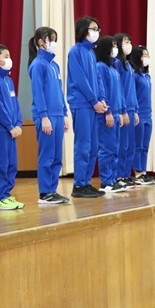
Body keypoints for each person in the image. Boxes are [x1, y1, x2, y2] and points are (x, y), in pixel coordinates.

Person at [28, 27, 70, 204]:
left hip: (58, 115)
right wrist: (44, 117)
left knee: (57, 156)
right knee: (47, 155)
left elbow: (59, 92)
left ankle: (53, 190)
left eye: (55, 39)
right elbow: (38, 93)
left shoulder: (54, 65)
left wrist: (65, 113)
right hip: (46, 116)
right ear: (41, 42)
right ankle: (45, 192)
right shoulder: (38, 65)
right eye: (50, 39)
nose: (54, 43)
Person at [66, 17, 108, 198]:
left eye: (98, 29)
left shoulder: (91, 53)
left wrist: (101, 98)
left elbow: (97, 79)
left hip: (93, 104)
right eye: (93, 28)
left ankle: (86, 182)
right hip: (82, 103)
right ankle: (78, 185)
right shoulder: (75, 52)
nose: (96, 32)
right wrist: (93, 101)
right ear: (83, 30)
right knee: (83, 145)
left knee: (93, 145)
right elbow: (80, 79)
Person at [0, 44, 25, 210]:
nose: (9, 59)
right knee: (1, 163)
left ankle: (7, 194)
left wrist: (18, 123)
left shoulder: (8, 80)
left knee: (12, 164)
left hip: (12, 130)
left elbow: (15, 104)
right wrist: (10, 126)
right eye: (6, 56)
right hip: (0, 129)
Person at [94, 36, 127, 193]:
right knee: (107, 148)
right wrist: (107, 112)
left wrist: (121, 112)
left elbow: (119, 92)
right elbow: (102, 92)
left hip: (116, 112)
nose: (115, 48)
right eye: (112, 45)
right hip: (107, 114)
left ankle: (113, 179)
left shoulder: (113, 68)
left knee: (115, 148)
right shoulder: (100, 67)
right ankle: (106, 181)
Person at [113, 33, 139, 188]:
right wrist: (122, 110)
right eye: (125, 42)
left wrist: (135, 109)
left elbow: (132, 90)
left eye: (129, 41)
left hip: (131, 107)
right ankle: (119, 175)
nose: (128, 44)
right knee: (122, 145)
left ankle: (126, 174)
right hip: (122, 108)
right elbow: (119, 89)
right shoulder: (117, 63)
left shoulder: (129, 65)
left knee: (130, 145)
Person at [129, 46, 155, 184]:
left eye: (147, 55)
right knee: (138, 145)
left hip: (148, 114)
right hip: (139, 114)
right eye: (143, 55)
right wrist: (135, 111)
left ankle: (144, 172)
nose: (146, 58)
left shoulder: (147, 76)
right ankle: (138, 173)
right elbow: (132, 95)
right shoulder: (134, 76)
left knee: (145, 146)